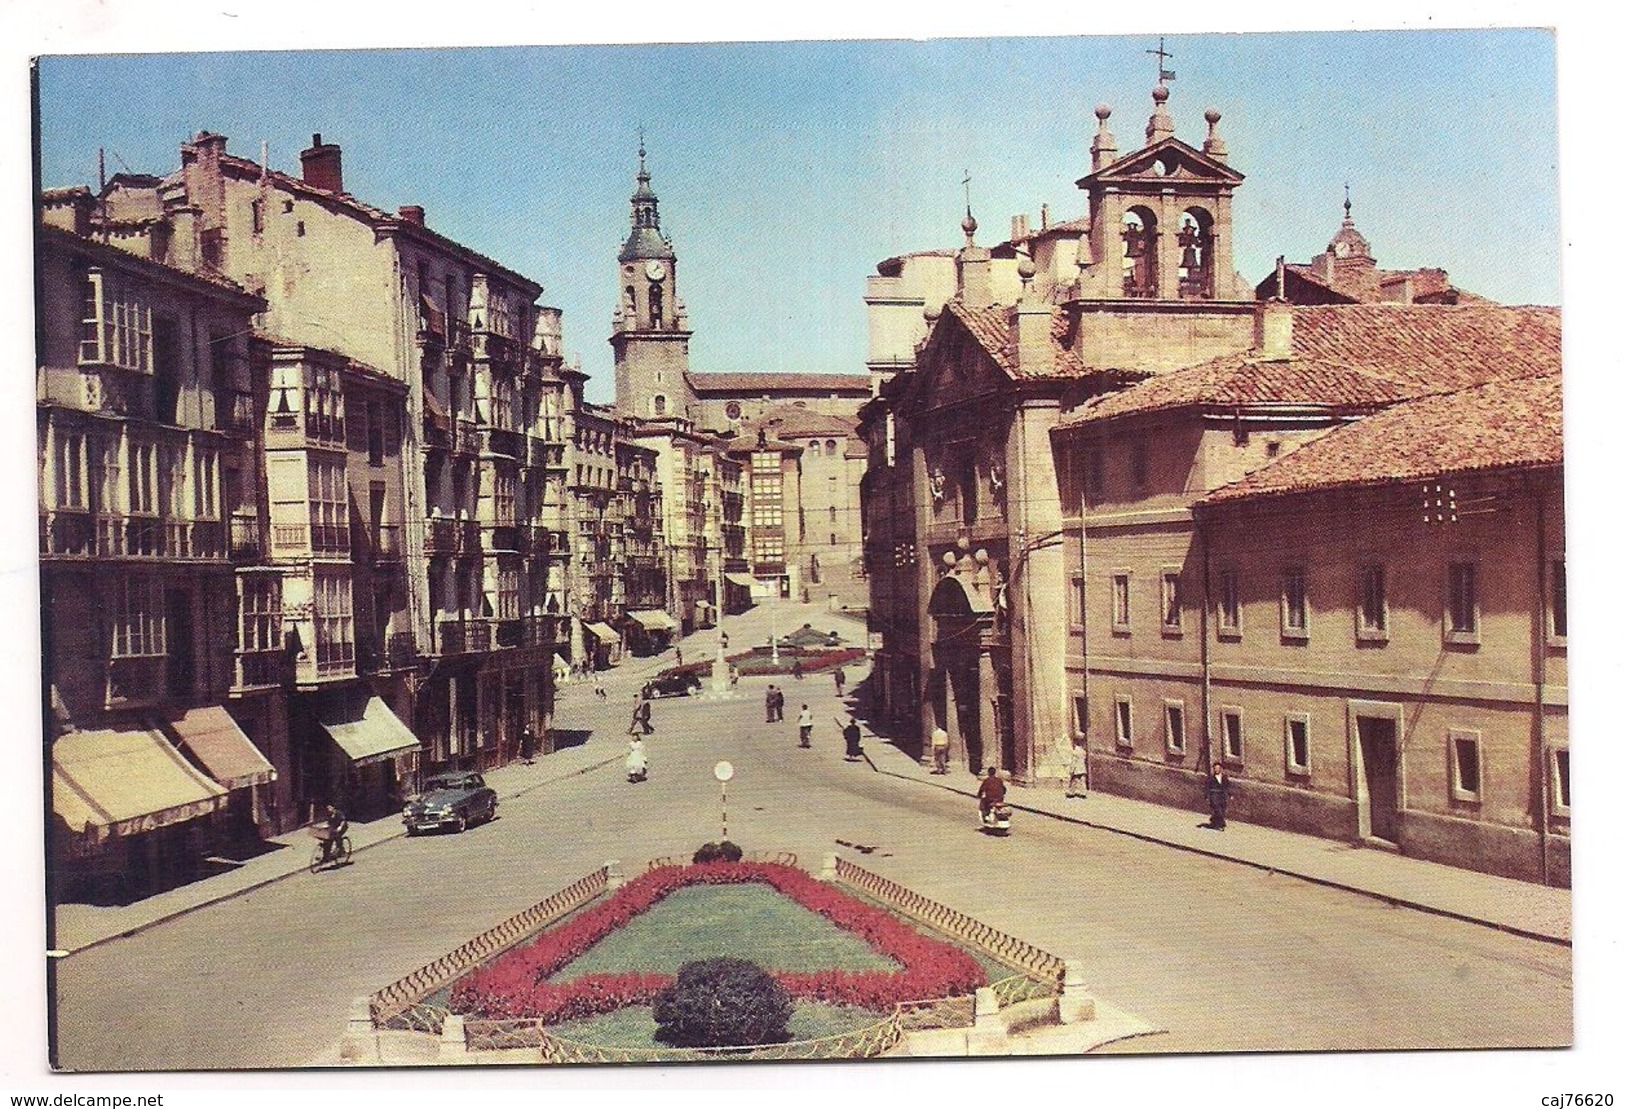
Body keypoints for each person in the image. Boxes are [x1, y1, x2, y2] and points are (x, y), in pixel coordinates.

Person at [1206, 759, 1231, 830]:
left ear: (1220, 769)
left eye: (1217, 768)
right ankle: (1222, 824)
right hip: (1214, 795)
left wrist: (1230, 795)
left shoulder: (1224, 778)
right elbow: (1207, 787)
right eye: (1215, 769)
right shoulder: (1211, 778)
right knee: (1218, 810)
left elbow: (1227, 786)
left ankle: (1213, 821)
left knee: (1222, 810)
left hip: (1222, 796)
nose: (1216, 770)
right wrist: (1207, 796)